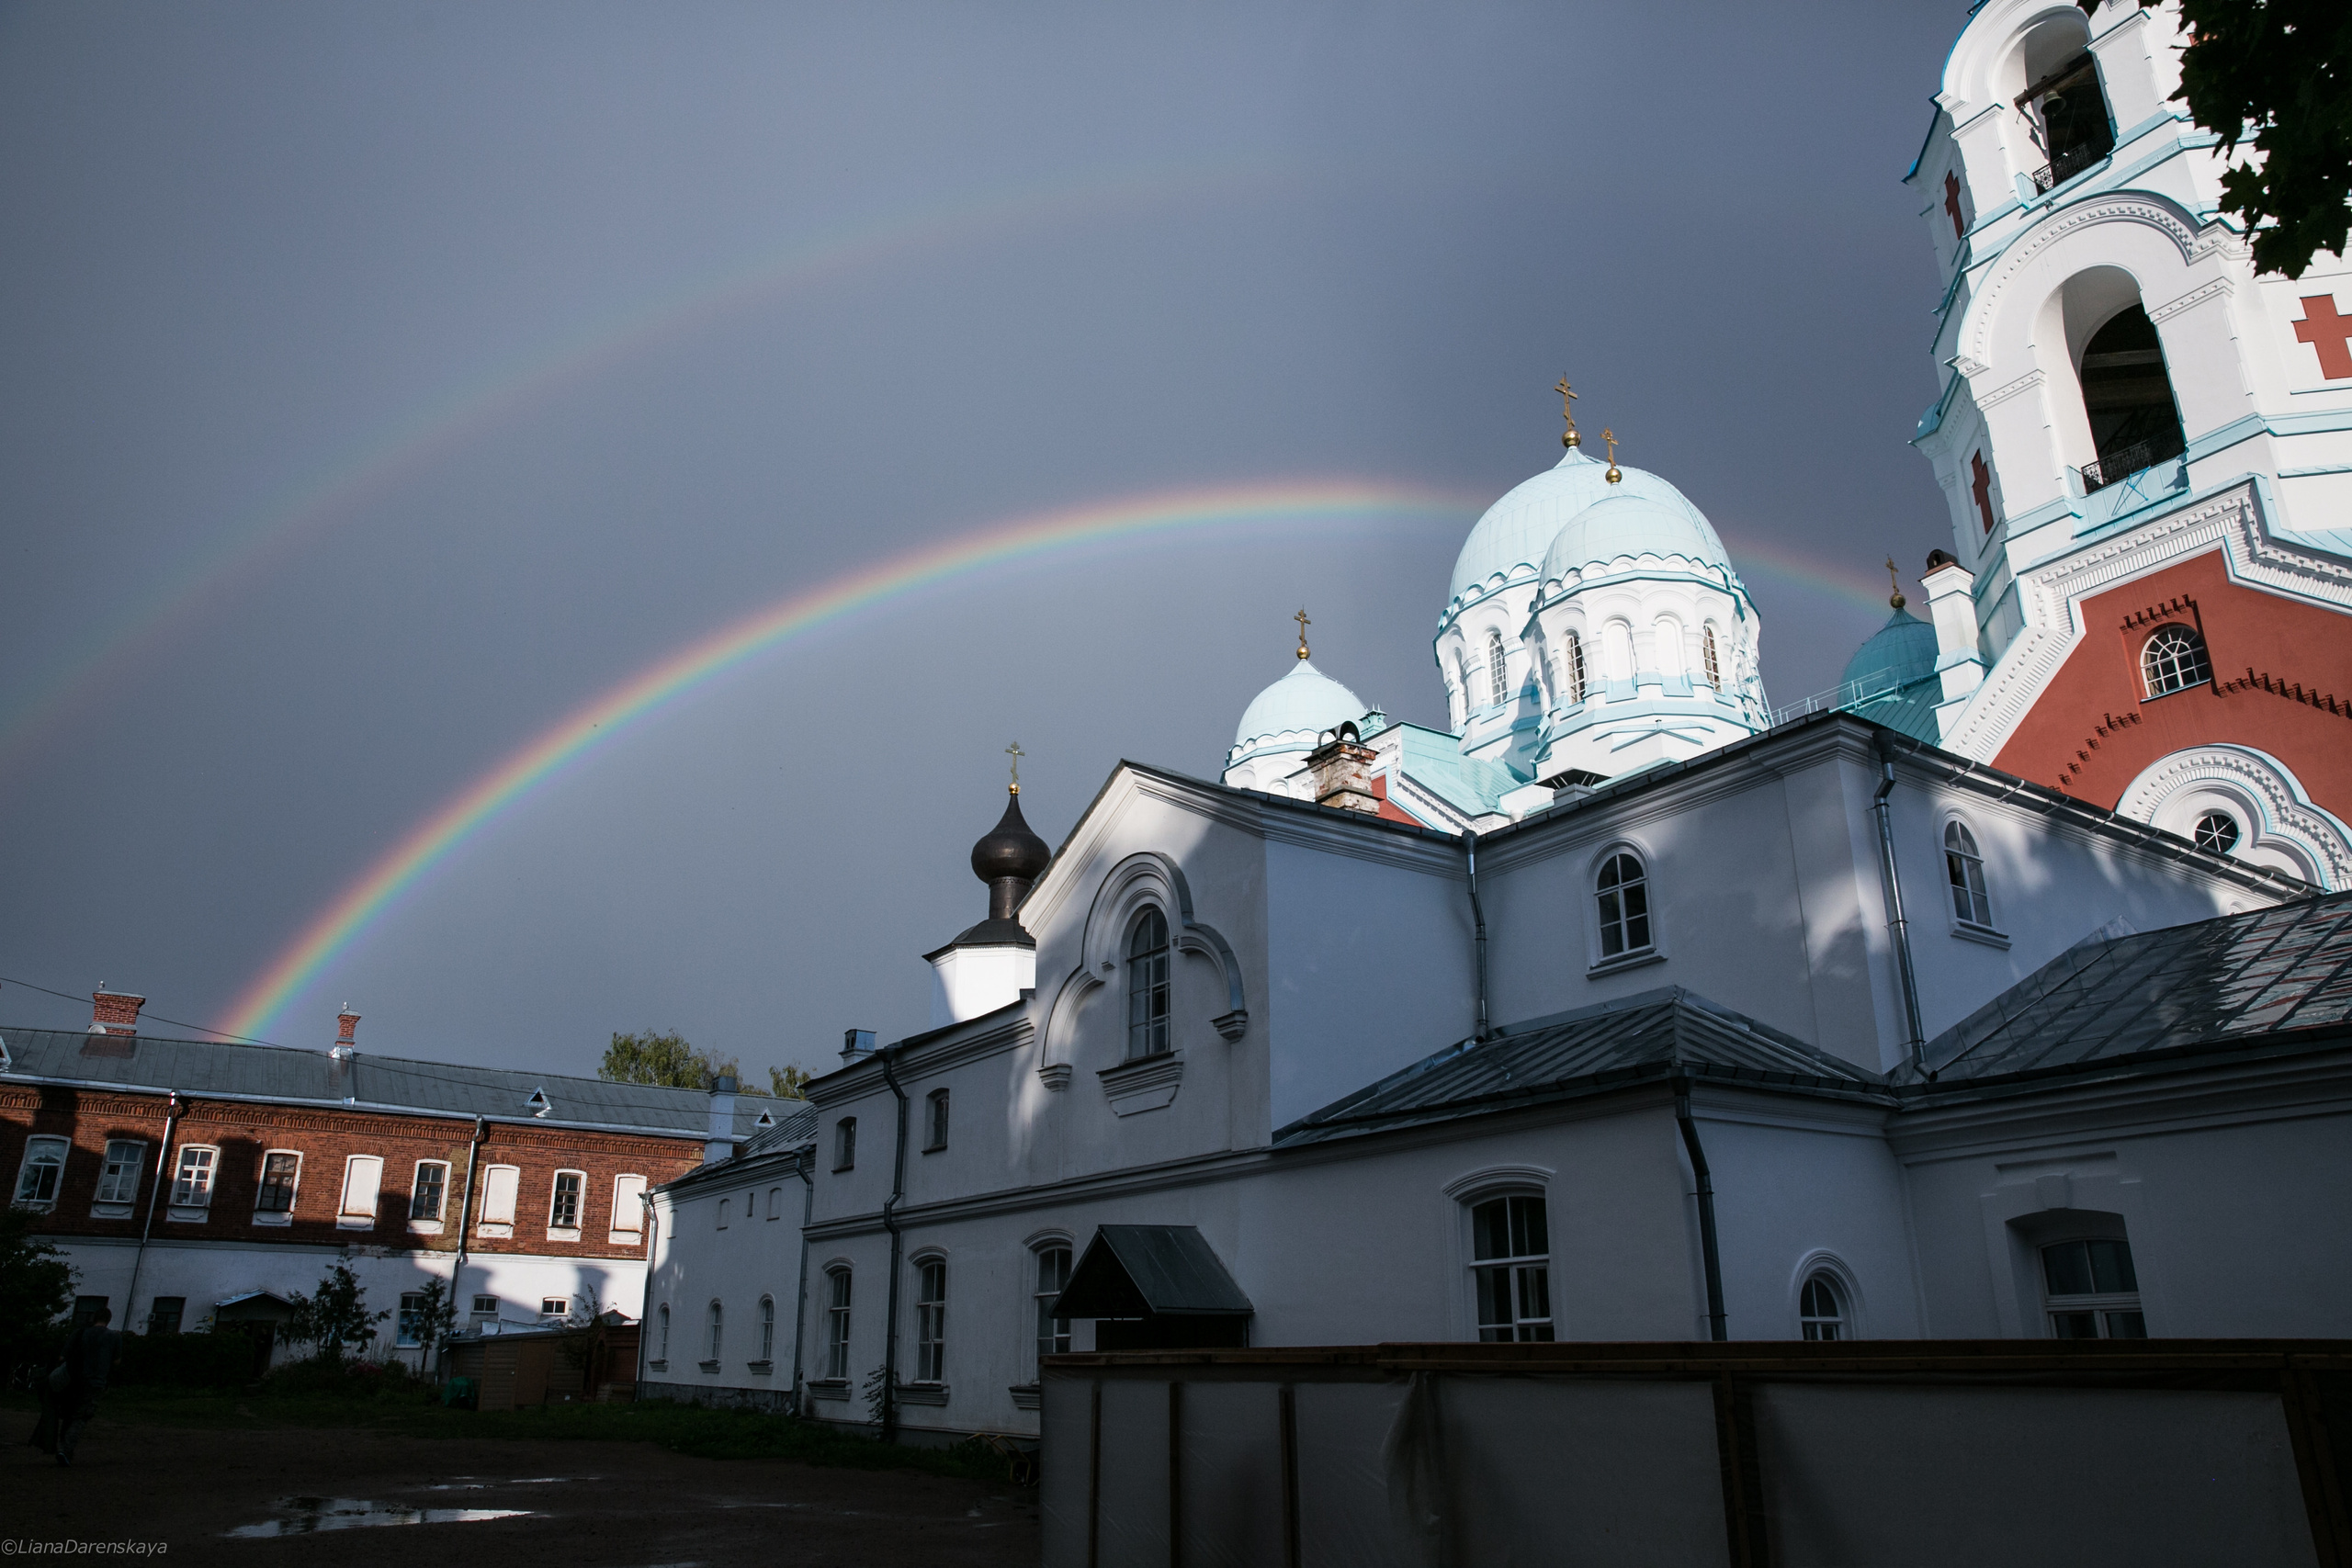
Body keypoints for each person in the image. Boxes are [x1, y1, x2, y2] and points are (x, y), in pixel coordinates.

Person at [28, 1307, 119, 1466]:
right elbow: (117, 1362)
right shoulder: (114, 1337)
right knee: (81, 1416)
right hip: (95, 1382)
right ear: (109, 1319)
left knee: (68, 1412)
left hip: (73, 1380)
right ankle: (65, 1450)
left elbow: (63, 1356)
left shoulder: (80, 1333)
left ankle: (56, 1443)